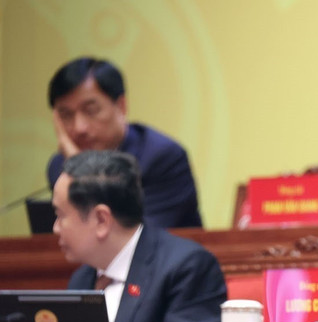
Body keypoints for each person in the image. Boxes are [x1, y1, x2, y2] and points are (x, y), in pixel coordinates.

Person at [52, 150, 226, 322]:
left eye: (60, 215)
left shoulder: (186, 269)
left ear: (102, 220)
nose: (55, 228)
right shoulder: (81, 279)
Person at [47, 57, 203, 229]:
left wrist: (81, 170)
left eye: (91, 110)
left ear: (121, 106)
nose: (79, 127)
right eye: (66, 115)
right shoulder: (59, 166)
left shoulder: (161, 157)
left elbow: (135, 238)